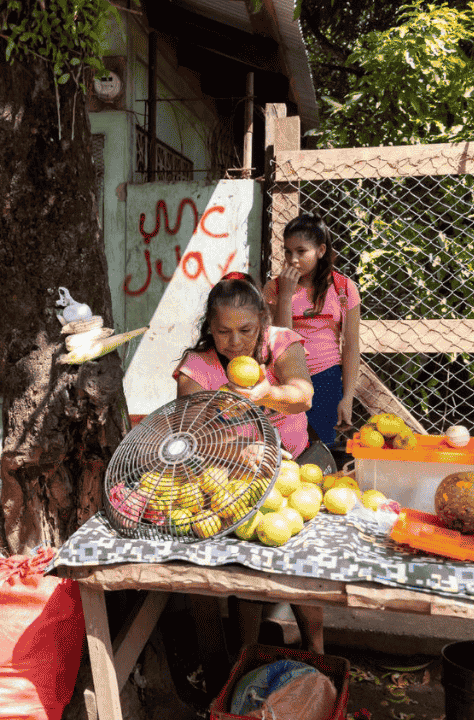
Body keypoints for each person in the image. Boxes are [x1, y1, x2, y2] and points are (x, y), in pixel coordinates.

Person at [173, 272, 325, 656]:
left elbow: (303, 395)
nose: (236, 342)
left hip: (295, 471)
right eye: (224, 332)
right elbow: (187, 435)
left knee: (301, 569)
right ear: (210, 326)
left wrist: (269, 394)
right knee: (247, 571)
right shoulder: (198, 368)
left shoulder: (280, 344)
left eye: (246, 330)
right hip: (233, 483)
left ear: (263, 320)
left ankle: (316, 652)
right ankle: (248, 655)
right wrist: (235, 451)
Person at [264, 213, 361, 450]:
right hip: (286, 379)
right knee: (285, 449)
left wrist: (347, 397)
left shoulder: (344, 288)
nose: (292, 259)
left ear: (320, 250)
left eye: (301, 251)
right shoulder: (275, 288)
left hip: (326, 379)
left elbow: (350, 346)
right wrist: (286, 296)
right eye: (287, 252)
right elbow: (279, 344)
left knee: (320, 451)